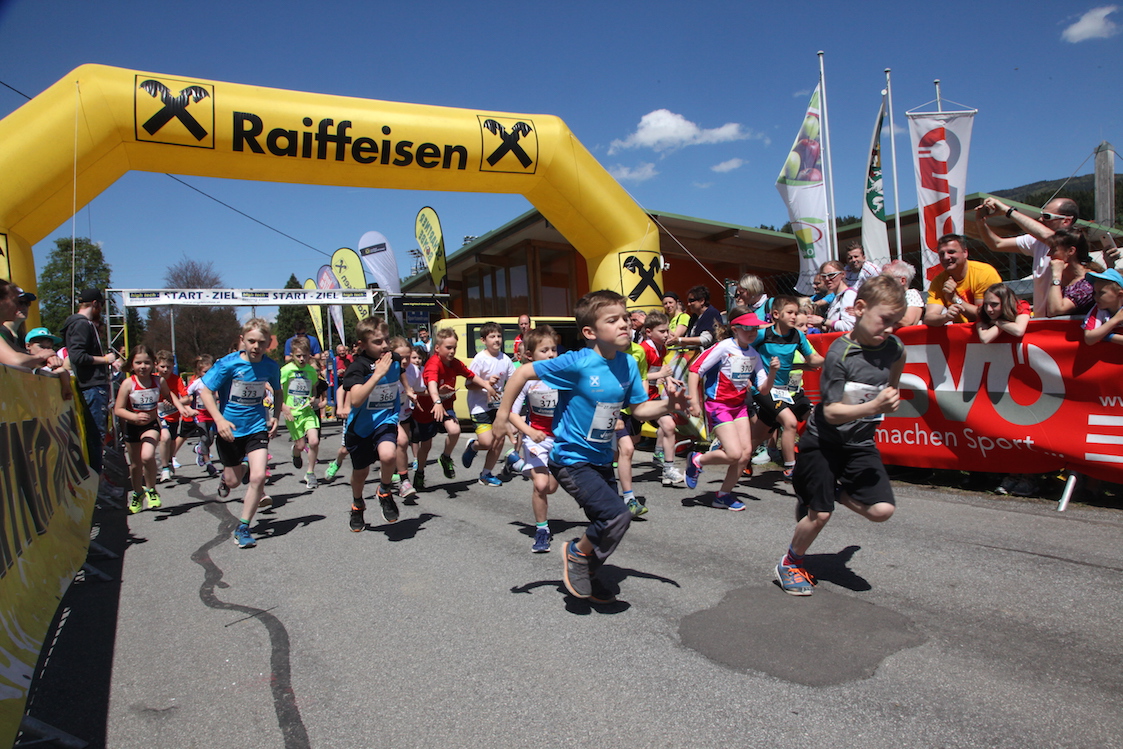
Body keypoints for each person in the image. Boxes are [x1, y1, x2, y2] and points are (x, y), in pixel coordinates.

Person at [494, 290, 689, 602]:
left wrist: (669, 405)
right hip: (571, 459)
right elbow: (522, 373)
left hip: (601, 458)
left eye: (625, 318)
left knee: (614, 524)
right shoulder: (576, 363)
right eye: (612, 320)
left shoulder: (627, 364)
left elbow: (639, 409)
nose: (624, 324)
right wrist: (503, 416)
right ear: (590, 332)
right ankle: (576, 553)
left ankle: (588, 569)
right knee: (616, 515)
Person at [775, 275, 907, 596]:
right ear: (860, 308)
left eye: (896, 323)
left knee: (882, 511)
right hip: (824, 442)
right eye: (884, 320)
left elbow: (898, 364)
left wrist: (891, 391)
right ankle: (790, 563)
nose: (890, 329)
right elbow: (832, 412)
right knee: (819, 514)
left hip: (859, 442)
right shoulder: (840, 353)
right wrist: (875, 405)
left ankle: (832, 491)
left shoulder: (894, 347)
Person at [198, 318, 282, 549]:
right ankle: (235, 473)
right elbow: (205, 392)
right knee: (234, 482)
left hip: (257, 427)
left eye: (261, 342)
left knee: (259, 477)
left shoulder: (271, 366)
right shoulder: (228, 364)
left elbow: (277, 391)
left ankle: (243, 527)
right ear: (242, 340)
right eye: (251, 341)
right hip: (230, 430)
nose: (256, 346)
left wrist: (275, 416)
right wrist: (219, 420)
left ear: (268, 343)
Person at [684, 309, 779, 510]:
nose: (752, 333)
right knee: (734, 453)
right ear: (735, 329)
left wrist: (772, 372)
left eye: (755, 329)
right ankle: (698, 459)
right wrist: (694, 402)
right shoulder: (723, 347)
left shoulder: (754, 354)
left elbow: (763, 389)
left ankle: (723, 495)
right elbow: (695, 370)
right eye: (747, 328)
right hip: (718, 405)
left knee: (745, 454)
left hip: (739, 407)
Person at [340, 317, 415, 531]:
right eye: (377, 342)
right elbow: (356, 400)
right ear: (362, 345)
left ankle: (384, 490)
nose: (384, 346)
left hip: (386, 419)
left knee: (389, 455)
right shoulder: (357, 367)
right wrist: (377, 374)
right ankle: (357, 504)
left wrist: (408, 389)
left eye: (386, 340)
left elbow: (400, 371)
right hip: (361, 427)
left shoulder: (394, 358)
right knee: (360, 474)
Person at [414, 327, 498, 487]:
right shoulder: (433, 364)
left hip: (446, 405)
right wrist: (436, 401)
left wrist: (487, 385)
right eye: (448, 347)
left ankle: (445, 457)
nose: (452, 351)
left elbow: (471, 375)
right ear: (437, 348)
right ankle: (420, 472)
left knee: (455, 430)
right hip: (428, 408)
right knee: (426, 445)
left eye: (454, 347)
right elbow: (432, 384)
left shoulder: (454, 363)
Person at [751, 296, 824, 479]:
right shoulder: (763, 335)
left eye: (796, 313)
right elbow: (743, 351)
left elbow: (812, 359)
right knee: (790, 422)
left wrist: (833, 359)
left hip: (785, 390)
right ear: (776, 314)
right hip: (764, 388)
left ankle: (739, 456)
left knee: (760, 434)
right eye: (790, 312)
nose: (794, 316)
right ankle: (791, 468)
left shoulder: (797, 336)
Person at [505, 325, 562, 552]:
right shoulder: (526, 379)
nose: (550, 355)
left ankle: (518, 464)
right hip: (535, 438)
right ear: (530, 355)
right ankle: (542, 531)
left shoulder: (563, 376)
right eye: (544, 350)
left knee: (551, 487)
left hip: (558, 439)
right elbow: (511, 412)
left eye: (553, 349)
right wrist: (528, 432)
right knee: (540, 484)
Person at [975, 196, 1079, 314]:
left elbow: (1050, 238)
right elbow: (997, 244)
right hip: (1042, 318)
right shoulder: (1036, 240)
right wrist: (980, 221)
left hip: (1064, 318)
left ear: (1066, 221)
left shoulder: (1073, 243)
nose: (1040, 219)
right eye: (1041, 215)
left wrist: (1008, 211)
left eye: (1047, 216)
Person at [113, 345, 171, 513]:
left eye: (147, 362)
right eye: (138, 363)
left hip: (151, 425)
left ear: (153, 363)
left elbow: (169, 395)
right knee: (135, 465)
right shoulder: (127, 384)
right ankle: (138, 493)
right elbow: (118, 409)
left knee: (147, 456)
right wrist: (134, 417)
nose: (143, 366)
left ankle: (151, 490)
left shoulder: (159, 381)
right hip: (132, 427)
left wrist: (177, 406)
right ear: (131, 364)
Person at [461, 322, 517, 486]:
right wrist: (486, 383)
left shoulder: (505, 359)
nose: (497, 339)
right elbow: (468, 384)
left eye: (499, 336)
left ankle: (486, 474)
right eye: (492, 336)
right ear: (483, 340)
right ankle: (473, 446)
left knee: (499, 440)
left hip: (497, 406)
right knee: (486, 442)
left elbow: (513, 381)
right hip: (479, 406)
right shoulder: (480, 359)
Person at [61, 288, 119, 446]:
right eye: (101, 305)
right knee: (96, 434)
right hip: (92, 386)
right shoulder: (82, 324)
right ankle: (96, 462)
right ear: (95, 304)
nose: (101, 309)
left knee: (96, 434)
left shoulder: (81, 324)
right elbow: (77, 356)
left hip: (92, 385)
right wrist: (105, 359)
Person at [639, 311, 686, 487]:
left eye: (667, 330)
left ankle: (667, 468)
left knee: (668, 425)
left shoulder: (662, 347)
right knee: (628, 441)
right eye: (662, 331)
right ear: (648, 331)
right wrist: (661, 375)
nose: (666, 335)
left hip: (653, 396)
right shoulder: (643, 349)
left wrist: (669, 380)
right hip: (638, 398)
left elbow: (660, 369)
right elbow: (637, 376)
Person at [922, 234, 1001, 326]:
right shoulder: (938, 281)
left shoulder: (984, 273)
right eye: (941, 254)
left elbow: (985, 315)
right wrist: (945, 317)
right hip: (961, 331)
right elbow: (929, 318)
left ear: (965, 253)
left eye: (951, 252)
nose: (946, 257)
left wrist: (955, 299)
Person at [280, 337, 322, 489]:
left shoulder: (311, 371)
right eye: (298, 356)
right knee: (301, 445)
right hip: (293, 413)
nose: (302, 359)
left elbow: (314, 388)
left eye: (305, 355)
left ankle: (310, 473)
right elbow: (276, 389)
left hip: (307, 411)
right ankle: (296, 452)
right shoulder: (286, 370)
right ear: (292, 355)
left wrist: (313, 397)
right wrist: (283, 406)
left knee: (314, 441)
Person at [154, 350, 193, 482]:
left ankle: (169, 461)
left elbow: (187, 398)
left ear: (173, 366)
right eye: (162, 366)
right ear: (156, 365)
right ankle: (164, 468)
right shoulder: (153, 379)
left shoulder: (176, 380)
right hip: (159, 415)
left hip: (173, 416)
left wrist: (175, 402)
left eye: (168, 367)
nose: (165, 370)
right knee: (165, 438)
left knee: (171, 442)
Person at [1041, 228, 1096, 318]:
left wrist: (1056, 275)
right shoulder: (1063, 279)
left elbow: (1055, 310)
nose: (1048, 254)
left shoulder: (1088, 282)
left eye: (1053, 250)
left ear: (1071, 251)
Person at [391, 338, 420, 499]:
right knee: (400, 443)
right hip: (386, 415)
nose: (404, 361)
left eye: (407, 357)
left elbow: (420, 389)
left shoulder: (413, 370)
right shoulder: (384, 369)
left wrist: (438, 394)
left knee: (401, 444)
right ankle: (403, 481)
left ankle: (396, 476)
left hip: (404, 413)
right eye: (400, 357)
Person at [185, 354, 219, 476]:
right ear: (199, 372)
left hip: (212, 414)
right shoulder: (197, 383)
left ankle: (199, 449)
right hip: (200, 414)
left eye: (210, 371)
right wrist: (188, 408)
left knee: (210, 438)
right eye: (205, 372)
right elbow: (185, 395)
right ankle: (208, 463)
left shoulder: (216, 382)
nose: (208, 374)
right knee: (204, 438)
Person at [808, 260, 856, 333]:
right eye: (823, 276)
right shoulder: (836, 297)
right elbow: (834, 329)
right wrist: (819, 325)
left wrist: (823, 321)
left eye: (831, 275)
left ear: (843, 274)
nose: (827, 279)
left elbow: (849, 327)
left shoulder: (849, 295)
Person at [1082, 268, 1123, 347]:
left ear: (1120, 294)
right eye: (1095, 292)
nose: (1095, 297)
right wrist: (1116, 319)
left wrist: (1107, 336)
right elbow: (1089, 338)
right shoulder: (1098, 308)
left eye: (1101, 293)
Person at [880, 260, 925, 328]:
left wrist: (879, 312)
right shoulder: (889, 297)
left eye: (887, 279)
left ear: (902, 280)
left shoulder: (911, 294)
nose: (882, 282)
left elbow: (907, 321)